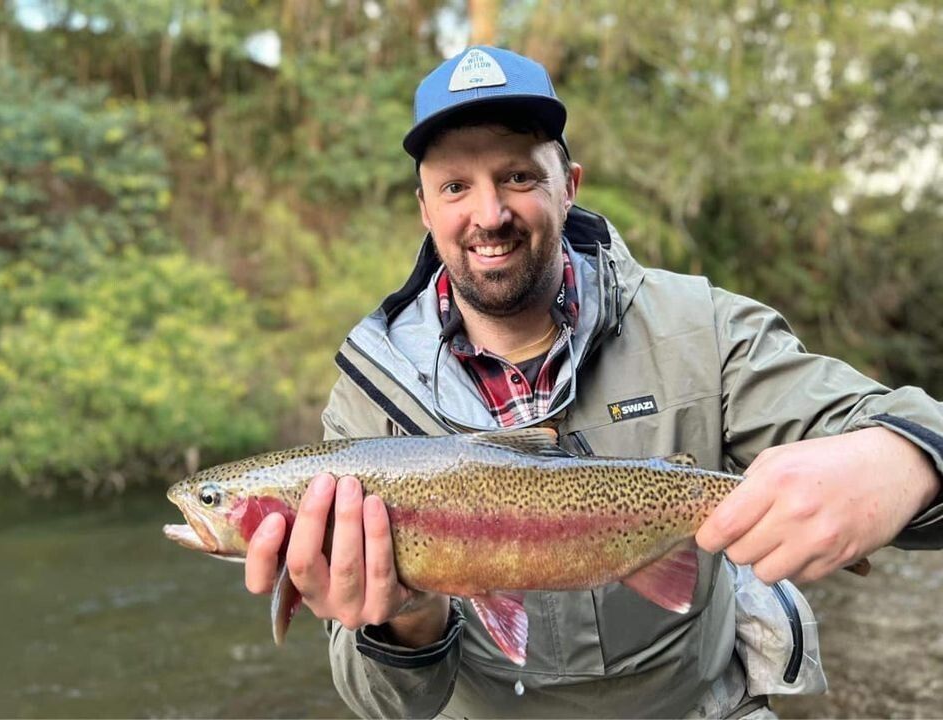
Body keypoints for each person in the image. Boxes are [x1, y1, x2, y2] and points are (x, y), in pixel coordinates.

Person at [243, 46, 943, 718]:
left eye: (519, 177)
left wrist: (906, 459)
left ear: (569, 186)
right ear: (426, 209)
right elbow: (390, 707)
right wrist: (410, 618)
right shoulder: (368, 399)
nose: (489, 215)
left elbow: (915, 429)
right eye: (456, 186)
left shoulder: (702, 330)